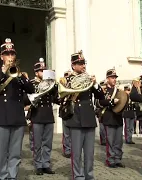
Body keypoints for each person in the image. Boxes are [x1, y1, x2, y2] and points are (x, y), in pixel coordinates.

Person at [0, 38, 35, 180]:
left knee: (15, 153)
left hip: (17, 118)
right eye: (7, 54)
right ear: (2, 56)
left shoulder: (20, 74)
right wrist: (2, 72)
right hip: (0, 118)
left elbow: (31, 89)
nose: (10, 57)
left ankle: (12, 176)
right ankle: (1, 176)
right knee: (1, 153)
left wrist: (20, 76)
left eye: (12, 54)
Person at [59, 50, 104, 180]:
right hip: (75, 118)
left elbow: (100, 96)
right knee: (77, 152)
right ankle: (78, 176)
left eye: (84, 63)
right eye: (80, 63)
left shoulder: (89, 79)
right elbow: (61, 99)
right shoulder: (66, 80)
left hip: (89, 118)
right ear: (73, 65)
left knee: (89, 153)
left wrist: (95, 84)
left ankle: (89, 175)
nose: (83, 66)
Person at [27, 58, 58, 175]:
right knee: (37, 143)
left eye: (44, 70)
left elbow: (55, 98)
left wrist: (55, 87)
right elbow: (28, 98)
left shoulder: (50, 83)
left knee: (48, 142)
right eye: (41, 71)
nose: (43, 72)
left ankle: (46, 164)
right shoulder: (32, 83)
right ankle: (38, 165)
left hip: (48, 116)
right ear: (36, 73)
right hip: (37, 115)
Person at [97, 68, 125, 168]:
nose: (114, 79)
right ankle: (110, 159)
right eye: (112, 77)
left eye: (115, 77)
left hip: (118, 118)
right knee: (110, 141)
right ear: (107, 78)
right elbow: (99, 103)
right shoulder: (103, 91)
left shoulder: (119, 91)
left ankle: (117, 159)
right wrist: (111, 102)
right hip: (109, 118)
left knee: (119, 141)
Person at [60, 70, 72, 158]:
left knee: (72, 133)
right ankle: (67, 150)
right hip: (65, 111)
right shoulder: (61, 86)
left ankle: (71, 149)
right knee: (66, 133)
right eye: (67, 77)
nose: (68, 78)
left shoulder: (73, 85)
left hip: (73, 110)